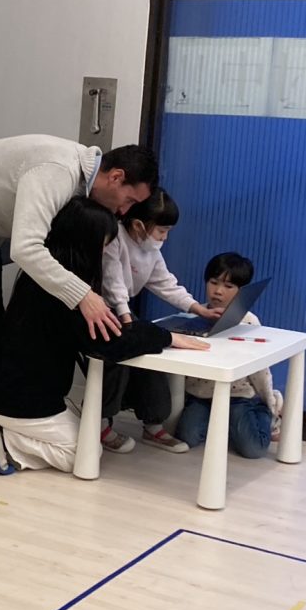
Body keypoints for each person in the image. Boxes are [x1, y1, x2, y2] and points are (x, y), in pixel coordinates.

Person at [0, 135, 160, 476]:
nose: (125, 210)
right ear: (116, 177)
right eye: (129, 200)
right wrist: (83, 295)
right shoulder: (57, 172)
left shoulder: (79, 181)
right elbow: (26, 249)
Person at [0, 196, 210, 475]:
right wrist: (167, 338)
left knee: (84, 427)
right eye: (103, 246)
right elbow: (111, 342)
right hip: (15, 398)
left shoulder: (43, 275)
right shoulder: (72, 294)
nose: (105, 255)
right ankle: (5, 441)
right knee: (84, 453)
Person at [98, 188, 223, 454]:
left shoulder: (151, 250)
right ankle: (101, 423)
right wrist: (128, 324)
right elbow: (113, 284)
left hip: (124, 311)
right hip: (104, 309)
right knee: (116, 361)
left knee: (153, 352)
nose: (164, 238)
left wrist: (198, 309)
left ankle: (154, 423)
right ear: (138, 225)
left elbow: (165, 283)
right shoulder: (115, 238)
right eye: (162, 231)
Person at [175, 252, 282, 459]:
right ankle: (224, 424)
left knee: (253, 449)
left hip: (238, 396)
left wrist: (269, 402)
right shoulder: (194, 315)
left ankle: (263, 413)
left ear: (241, 291)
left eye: (228, 286)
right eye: (213, 282)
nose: (218, 291)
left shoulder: (249, 322)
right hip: (201, 395)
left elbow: (260, 370)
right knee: (187, 437)